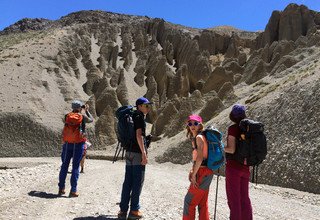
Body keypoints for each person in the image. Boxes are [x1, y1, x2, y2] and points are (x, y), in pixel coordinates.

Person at [118, 97, 152, 220]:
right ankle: (134, 210)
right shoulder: (139, 117)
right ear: (139, 106)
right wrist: (143, 153)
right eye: (146, 105)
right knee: (138, 182)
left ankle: (122, 210)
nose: (148, 108)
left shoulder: (131, 116)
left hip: (129, 153)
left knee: (128, 181)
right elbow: (139, 135)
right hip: (137, 154)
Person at [58, 100, 94, 197]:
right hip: (78, 144)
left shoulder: (67, 116)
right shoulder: (82, 117)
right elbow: (91, 119)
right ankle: (73, 190)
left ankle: (61, 188)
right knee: (75, 166)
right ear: (79, 107)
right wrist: (86, 111)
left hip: (67, 143)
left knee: (64, 166)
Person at [224, 104, 253, 220]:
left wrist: (220, 146)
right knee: (245, 199)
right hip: (246, 168)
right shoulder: (249, 128)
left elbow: (231, 149)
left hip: (233, 168)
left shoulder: (233, 128)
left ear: (232, 116)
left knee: (234, 200)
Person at [183, 114, 214, 220]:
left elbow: (200, 158)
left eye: (195, 123)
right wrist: (192, 170)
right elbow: (197, 159)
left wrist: (194, 174)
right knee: (202, 203)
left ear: (200, 125)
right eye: (190, 123)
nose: (192, 125)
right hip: (207, 172)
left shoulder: (199, 138)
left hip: (202, 172)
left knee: (189, 202)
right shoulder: (197, 137)